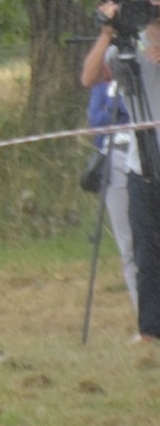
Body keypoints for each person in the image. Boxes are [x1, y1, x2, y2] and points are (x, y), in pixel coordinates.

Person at [81, 0, 160, 343]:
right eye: (153, 0)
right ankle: (150, 329)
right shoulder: (130, 46)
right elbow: (90, 76)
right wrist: (107, 33)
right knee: (145, 249)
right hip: (141, 165)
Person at [86, 82, 139, 314]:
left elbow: (141, 110)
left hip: (148, 154)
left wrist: (116, 111)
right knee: (128, 243)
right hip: (114, 158)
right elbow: (95, 120)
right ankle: (146, 319)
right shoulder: (102, 85)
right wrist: (117, 110)